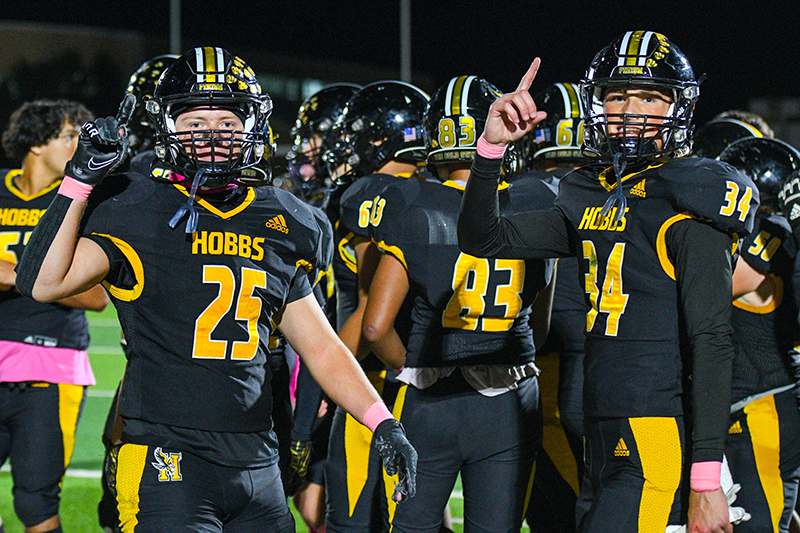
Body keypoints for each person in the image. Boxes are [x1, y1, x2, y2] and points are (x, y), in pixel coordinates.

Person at [14, 46, 416, 533]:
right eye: (194, 121)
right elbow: (42, 282)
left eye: (227, 121)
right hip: (169, 458)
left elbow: (323, 348)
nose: (210, 136)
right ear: (167, 127)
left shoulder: (286, 218)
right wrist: (78, 184)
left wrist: (382, 422)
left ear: (252, 126)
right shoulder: (136, 204)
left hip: (258, 462)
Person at [457, 31, 759, 533]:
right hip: (596, 422)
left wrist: (706, 481)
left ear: (678, 106)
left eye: (648, 96)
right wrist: (490, 148)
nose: (628, 109)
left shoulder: (692, 192)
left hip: (653, 425)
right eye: (617, 95)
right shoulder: (587, 190)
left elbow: (713, 341)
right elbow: (483, 237)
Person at [361, 74, 554, 533]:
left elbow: (374, 328)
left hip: (433, 401)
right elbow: (540, 329)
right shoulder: (536, 203)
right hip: (509, 401)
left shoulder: (413, 205)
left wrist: (410, 368)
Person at [320, 80, 430, 533]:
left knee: (352, 520)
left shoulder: (368, 192)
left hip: (377, 379)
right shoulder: (437, 188)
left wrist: (325, 382)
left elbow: (369, 314)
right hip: (437, 380)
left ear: (383, 135)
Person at [0, 99, 108, 533]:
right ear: (37, 143)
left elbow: (97, 296)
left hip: (51, 365)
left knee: (35, 499)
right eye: (70, 136)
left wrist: (15, 275)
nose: (79, 145)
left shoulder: (80, 201)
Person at [518, 81, 595, 533]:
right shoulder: (611, 191)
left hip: (548, 372)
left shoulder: (521, 192)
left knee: (558, 512)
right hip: (609, 363)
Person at [717, 136, 800, 533]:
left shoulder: (770, 230)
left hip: (760, 402)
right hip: (760, 399)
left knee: (761, 524)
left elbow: (724, 282)